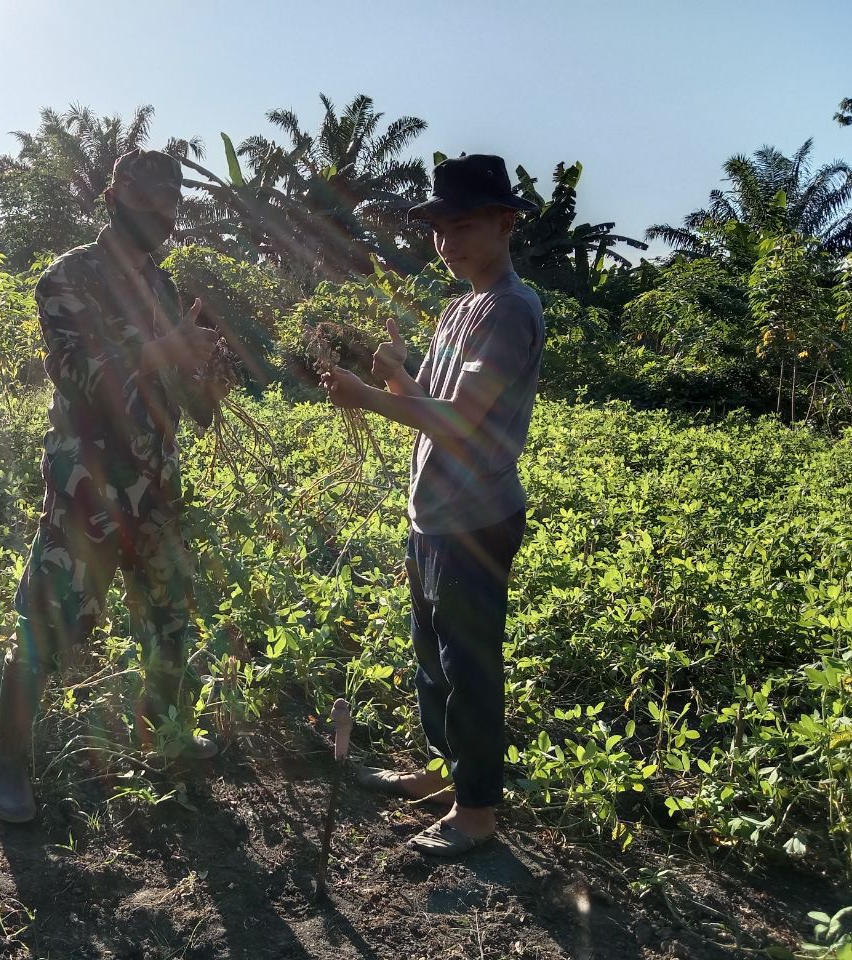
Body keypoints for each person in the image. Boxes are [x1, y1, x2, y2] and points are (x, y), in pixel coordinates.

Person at [0, 149, 225, 824]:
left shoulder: (164, 287)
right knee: (45, 623)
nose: (162, 216)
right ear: (116, 194)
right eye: (149, 202)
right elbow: (80, 375)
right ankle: (11, 766)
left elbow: (194, 407)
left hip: (157, 489)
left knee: (169, 620)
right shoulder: (68, 277)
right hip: (86, 489)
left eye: (171, 205)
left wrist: (205, 374)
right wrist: (163, 351)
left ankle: (167, 738)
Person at [320, 154, 544, 857]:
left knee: (469, 668)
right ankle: (445, 772)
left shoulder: (508, 311)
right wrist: (398, 378)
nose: (447, 243)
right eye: (439, 229)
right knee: (434, 660)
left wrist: (366, 396)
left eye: (464, 226)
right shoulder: (458, 308)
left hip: (475, 520)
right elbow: (435, 408)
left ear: (505, 223)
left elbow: (463, 423)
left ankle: (475, 814)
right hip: (435, 515)